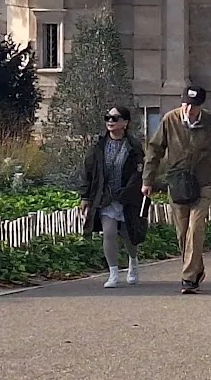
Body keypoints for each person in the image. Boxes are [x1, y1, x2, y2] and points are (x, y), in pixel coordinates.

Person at [143, 85, 211, 294]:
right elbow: (154, 150)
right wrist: (147, 180)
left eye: (193, 106)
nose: (188, 109)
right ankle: (197, 269)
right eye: (185, 104)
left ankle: (188, 278)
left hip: (204, 182)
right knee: (182, 233)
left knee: (195, 228)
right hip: (177, 183)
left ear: (200, 107)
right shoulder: (170, 120)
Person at [79, 105, 146, 289]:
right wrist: (85, 197)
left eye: (115, 118)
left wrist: (129, 191)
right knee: (108, 233)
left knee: (128, 235)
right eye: (107, 117)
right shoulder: (99, 146)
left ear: (125, 123)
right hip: (106, 197)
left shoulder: (134, 146)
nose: (110, 121)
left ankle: (133, 261)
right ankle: (113, 272)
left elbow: (139, 172)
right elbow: (89, 172)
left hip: (128, 197)